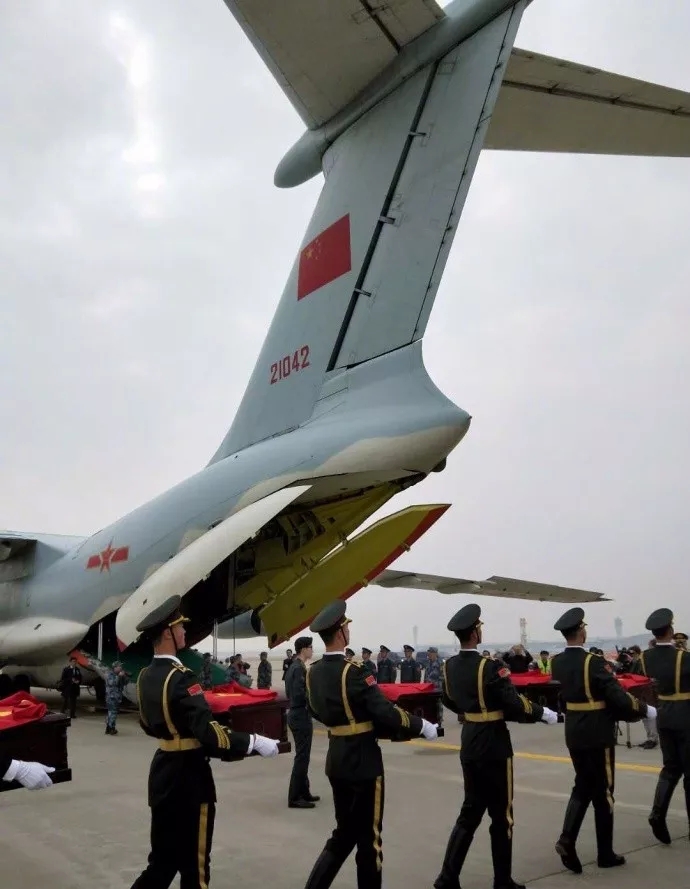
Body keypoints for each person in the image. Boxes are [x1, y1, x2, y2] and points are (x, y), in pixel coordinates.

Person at [129, 594, 280, 889]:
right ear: (168, 634)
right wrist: (253, 741)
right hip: (189, 780)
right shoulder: (182, 678)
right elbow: (210, 736)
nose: (185, 630)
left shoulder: (145, 676)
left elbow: (147, 724)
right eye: (180, 626)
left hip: (162, 775)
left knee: (160, 865)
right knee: (195, 870)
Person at [302, 600, 438, 888]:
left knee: (343, 834)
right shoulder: (354, 671)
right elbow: (384, 711)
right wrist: (421, 725)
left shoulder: (313, 671)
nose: (349, 631)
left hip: (336, 758)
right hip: (362, 761)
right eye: (347, 627)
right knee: (369, 840)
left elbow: (315, 710)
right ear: (341, 633)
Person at [433, 604, 557, 889]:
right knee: (501, 815)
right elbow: (512, 702)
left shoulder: (449, 666)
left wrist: (471, 709)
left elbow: (449, 700)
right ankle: (502, 880)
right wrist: (542, 713)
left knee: (470, 811)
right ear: (475, 633)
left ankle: (447, 877)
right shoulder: (489, 667)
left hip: (470, 739)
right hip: (493, 742)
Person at [550, 607, 656, 873]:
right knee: (604, 792)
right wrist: (645, 709)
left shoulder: (557, 661)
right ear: (580, 631)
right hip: (597, 732)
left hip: (574, 730)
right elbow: (617, 695)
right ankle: (604, 852)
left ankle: (568, 839)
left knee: (583, 784)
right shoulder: (594, 662)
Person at [635, 608, 690, 845]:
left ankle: (657, 813)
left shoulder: (644, 658)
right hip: (685, 715)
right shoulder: (683, 657)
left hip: (663, 714)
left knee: (670, 768)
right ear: (671, 629)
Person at [286, 635, 319, 809]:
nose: (312, 650)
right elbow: (300, 694)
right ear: (304, 649)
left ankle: (304, 791)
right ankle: (294, 797)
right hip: (300, 715)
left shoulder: (294, 666)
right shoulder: (299, 668)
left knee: (303, 756)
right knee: (302, 757)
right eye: (311, 647)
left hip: (296, 713)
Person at [105, 661, 127, 735]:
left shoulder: (119, 674)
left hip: (117, 697)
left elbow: (125, 683)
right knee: (113, 712)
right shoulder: (110, 674)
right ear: (115, 667)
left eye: (121, 666)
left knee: (111, 713)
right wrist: (119, 676)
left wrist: (124, 676)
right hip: (111, 697)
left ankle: (108, 728)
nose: (121, 668)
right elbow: (112, 683)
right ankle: (112, 728)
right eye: (119, 666)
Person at [424, 647, 444, 727]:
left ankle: (439, 723)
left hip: (437, 689)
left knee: (438, 707)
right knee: (429, 707)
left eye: (431, 653)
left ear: (435, 654)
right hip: (428, 690)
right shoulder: (428, 663)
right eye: (429, 653)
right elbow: (426, 676)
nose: (429, 655)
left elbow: (442, 678)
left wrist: (434, 684)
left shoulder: (440, 664)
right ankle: (431, 722)